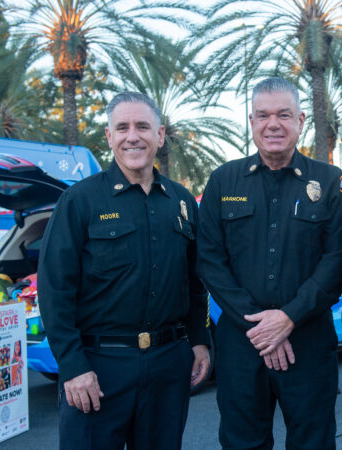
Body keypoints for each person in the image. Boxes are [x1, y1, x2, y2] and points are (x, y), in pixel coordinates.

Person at [38, 91, 210, 450]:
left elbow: (194, 283)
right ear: (109, 137)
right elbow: (55, 290)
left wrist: (198, 341)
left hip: (167, 365)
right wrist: (72, 366)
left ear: (160, 135)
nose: (133, 136)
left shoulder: (180, 202)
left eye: (143, 126)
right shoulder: (80, 201)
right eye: (123, 127)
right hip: (98, 369)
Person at [197, 77, 342, 449]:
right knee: (242, 442)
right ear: (251, 122)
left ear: (300, 120)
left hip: (309, 343)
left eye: (284, 115)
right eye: (263, 115)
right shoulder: (223, 181)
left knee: (313, 442)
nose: (273, 124)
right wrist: (261, 327)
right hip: (240, 344)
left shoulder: (329, 181)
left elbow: (338, 260)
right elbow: (210, 261)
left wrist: (288, 318)